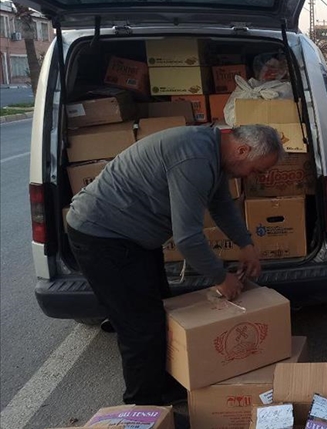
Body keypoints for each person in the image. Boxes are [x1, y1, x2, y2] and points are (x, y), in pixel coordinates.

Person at [66, 124, 282, 405]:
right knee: (140, 327)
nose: (254, 177)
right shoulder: (195, 159)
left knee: (158, 311)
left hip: (132, 238)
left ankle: (164, 386)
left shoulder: (215, 152)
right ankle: (145, 407)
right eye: (256, 170)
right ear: (242, 150)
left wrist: (246, 245)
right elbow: (188, 238)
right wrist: (220, 277)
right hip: (103, 236)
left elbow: (221, 204)